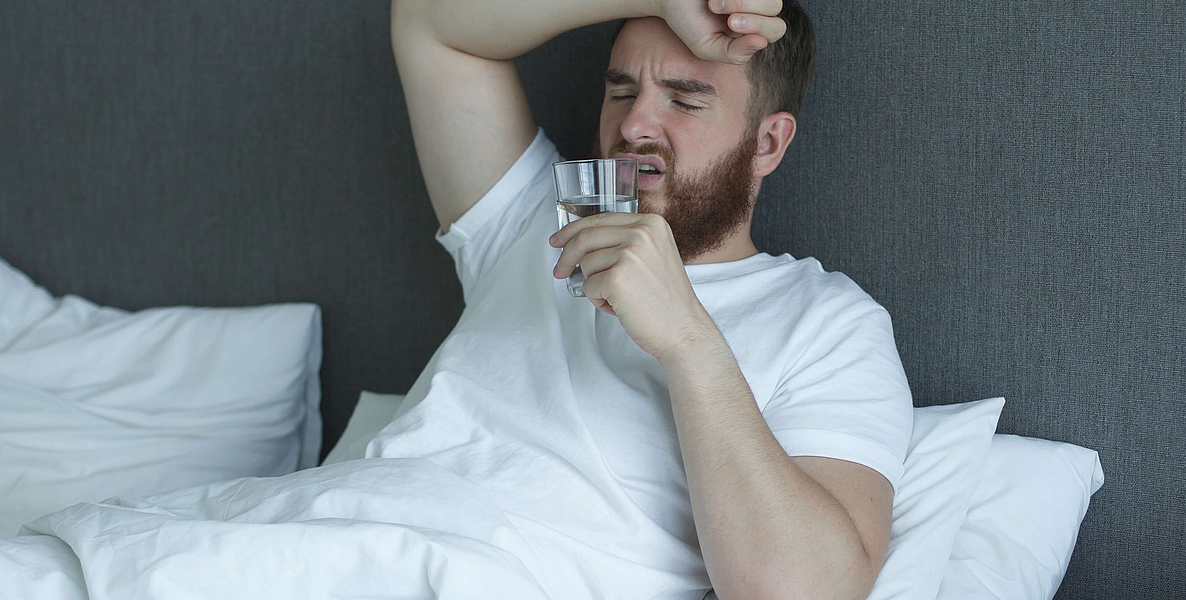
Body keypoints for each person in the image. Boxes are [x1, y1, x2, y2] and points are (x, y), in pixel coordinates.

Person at [377, 1, 913, 598]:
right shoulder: (537, 224)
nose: (634, 126)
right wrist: (665, 0)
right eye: (620, 92)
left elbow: (806, 589)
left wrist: (686, 339)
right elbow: (430, 22)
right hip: (314, 531)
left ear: (767, 141)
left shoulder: (829, 322)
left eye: (684, 100)